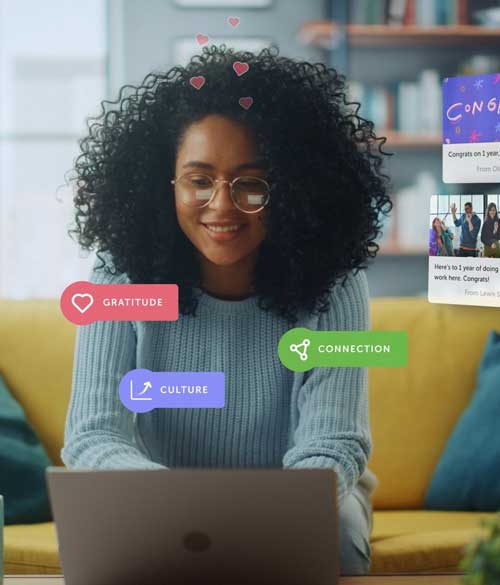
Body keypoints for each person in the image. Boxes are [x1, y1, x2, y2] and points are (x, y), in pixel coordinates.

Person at [62, 46, 389, 575]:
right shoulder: (118, 274)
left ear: (293, 189)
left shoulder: (336, 282)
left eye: (251, 183)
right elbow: (92, 435)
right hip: (157, 495)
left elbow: (333, 441)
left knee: (340, 542)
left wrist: (262, 513)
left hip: (300, 500)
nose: (221, 205)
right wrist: (181, 506)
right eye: (199, 180)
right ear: (163, 184)